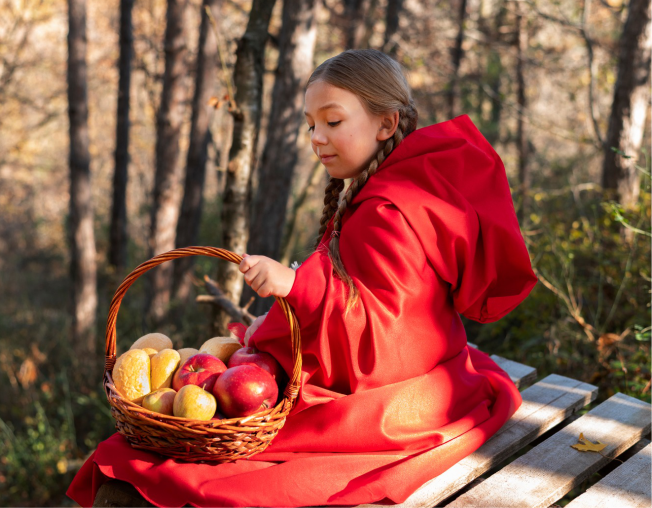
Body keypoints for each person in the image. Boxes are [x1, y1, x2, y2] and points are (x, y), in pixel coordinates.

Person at [67, 49, 537, 507]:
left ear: (386, 123)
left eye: (333, 121)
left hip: (391, 397)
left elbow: (382, 334)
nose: (317, 136)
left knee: (173, 463)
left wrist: (296, 286)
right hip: (434, 368)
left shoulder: (386, 212)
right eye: (311, 124)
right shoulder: (402, 189)